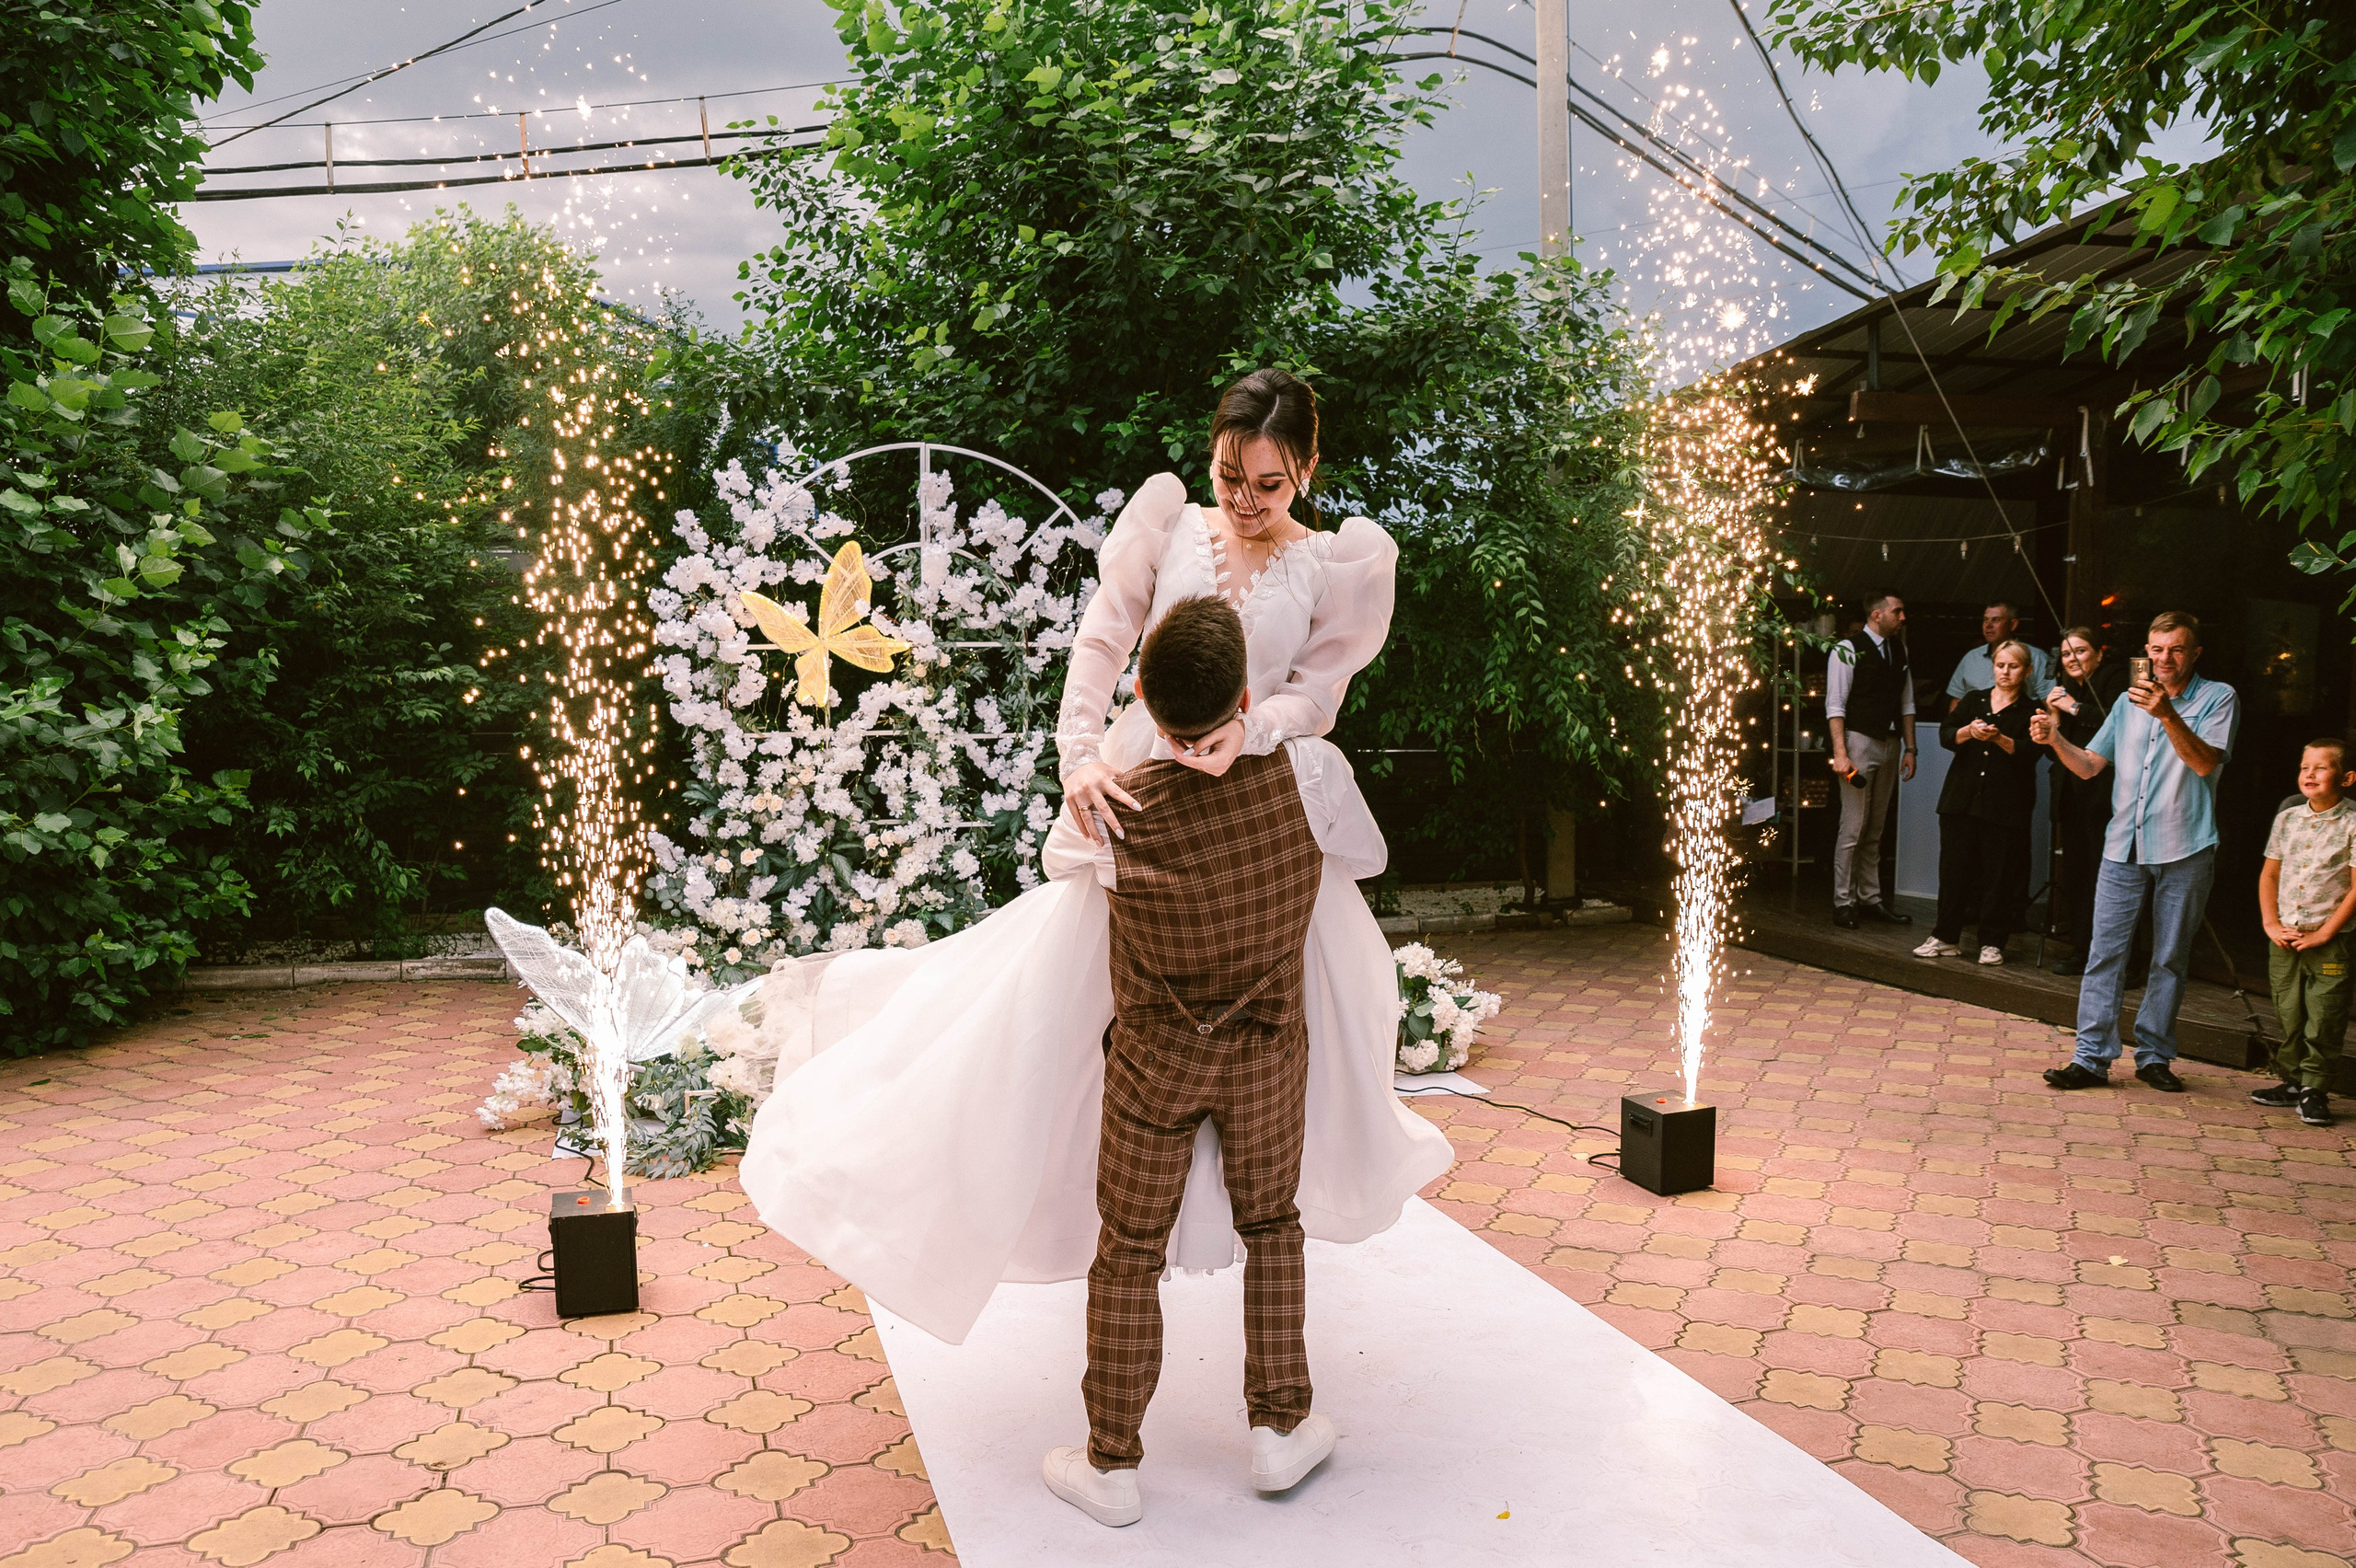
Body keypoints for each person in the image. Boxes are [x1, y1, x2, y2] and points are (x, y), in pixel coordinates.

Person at [734, 367, 1450, 1347]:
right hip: (1133, 785)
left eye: (1270, 484)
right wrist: (1077, 756)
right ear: (1212, 456)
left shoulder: (1340, 563)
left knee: (1284, 1025)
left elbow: (1319, 698)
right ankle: (993, 1197)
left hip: (1252, 795)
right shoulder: (1167, 524)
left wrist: (1254, 731)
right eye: (1230, 474)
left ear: (1309, 470)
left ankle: (1255, 1226)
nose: (1245, 501)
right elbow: (1100, 643)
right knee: (1055, 1013)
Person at [1042, 596, 1339, 1527]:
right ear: (1246, 694)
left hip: (1154, 1061)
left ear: (1140, 696)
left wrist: (1087, 769)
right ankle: (1278, 1430)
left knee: (1128, 1253)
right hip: (1265, 1053)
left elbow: (1058, 873)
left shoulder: (1107, 811)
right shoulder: (1312, 779)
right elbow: (1356, 858)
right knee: (1273, 1227)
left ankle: (1112, 1462)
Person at [2032, 612, 2239, 1092]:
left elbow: (2205, 762)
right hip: (2123, 843)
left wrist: (2167, 713)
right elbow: (2088, 767)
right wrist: (2055, 738)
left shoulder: (2218, 697)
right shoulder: (2127, 703)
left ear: (2195, 653)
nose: (2164, 659)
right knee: (2104, 954)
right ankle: (2090, 1059)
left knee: (2169, 957)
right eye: (2156, 649)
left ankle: (2154, 1057)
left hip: (2186, 846)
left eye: (2176, 649)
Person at [1916, 641, 2046, 964]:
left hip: (2006, 805)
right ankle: (1945, 936)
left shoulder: (2033, 710)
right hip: (1961, 800)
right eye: (2000, 665)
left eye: (2013, 666)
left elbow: (2033, 753)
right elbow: (1946, 736)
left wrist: (2000, 739)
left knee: (1998, 876)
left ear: (2027, 671)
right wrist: (1968, 731)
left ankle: (1992, 942)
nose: (2005, 671)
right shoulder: (1974, 700)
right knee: (1954, 872)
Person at [2250, 740, 2356, 1128]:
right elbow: (2270, 873)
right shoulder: (2288, 818)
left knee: (2325, 1014)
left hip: (2329, 938)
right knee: (2289, 1009)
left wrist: (2325, 933)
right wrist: (2269, 922)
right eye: (2304, 766)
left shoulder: (2353, 823)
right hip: (2285, 935)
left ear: (2347, 778)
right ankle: (2294, 1080)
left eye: (2321, 767)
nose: (2309, 774)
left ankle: (2316, 1088)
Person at [1824, 591, 1917, 929]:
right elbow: (1835, 706)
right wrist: (1840, 753)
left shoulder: (1900, 650)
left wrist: (1911, 748)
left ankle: (1870, 897)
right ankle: (1843, 901)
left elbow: (1907, 703)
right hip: (1859, 741)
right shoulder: (1847, 650)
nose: (1903, 617)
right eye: (1898, 611)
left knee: (1876, 827)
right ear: (1877, 615)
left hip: (1891, 744)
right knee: (1853, 826)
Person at [2042, 627, 2126, 975]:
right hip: (2071, 794)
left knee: (2110, 877)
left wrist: (2073, 707)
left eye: (2080, 651)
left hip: (2105, 796)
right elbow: (2055, 749)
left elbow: (2118, 722)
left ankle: (2122, 959)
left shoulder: (2114, 678)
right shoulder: (2064, 689)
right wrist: (2053, 718)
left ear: (2099, 653)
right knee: (2077, 875)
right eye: (2066, 654)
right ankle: (2081, 948)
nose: (2072, 659)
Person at [1946, 600, 2054, 704]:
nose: (1988, 625)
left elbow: (2049, 701)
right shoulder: (1971, 657)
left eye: (1996, 620)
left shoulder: (2037, 657)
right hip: (1975, 721)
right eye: (1985, 620)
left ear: (2013, 625)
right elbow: (1957, 700)